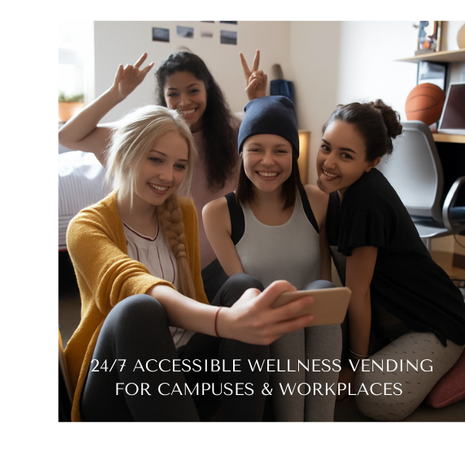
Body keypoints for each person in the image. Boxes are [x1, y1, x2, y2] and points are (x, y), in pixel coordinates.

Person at [63, 105, 313, 422]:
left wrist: (243, 308)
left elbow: (193, 294)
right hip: (116, 384)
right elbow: (134, 284)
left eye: (179, 166)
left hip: (183, 372)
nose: (168, 176)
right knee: (138, 308)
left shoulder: (183, 212)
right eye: (156, 159)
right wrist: (226, 321)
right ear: (126, 153)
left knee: (243, 285)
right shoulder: (86, 227)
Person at [58, 49, 268, 296]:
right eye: (173, 94)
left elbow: (269, 148)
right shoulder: (149, 136)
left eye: (193, 90)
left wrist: (258, 101)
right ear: (163, 97)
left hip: (220, 265)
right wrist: (117, 93)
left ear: (207, 89)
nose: (184, 102)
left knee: (247, 289)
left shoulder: (234, 132)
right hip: (164, 269)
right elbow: (67, 136)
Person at [316, 100, 465, 421]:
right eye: (325, 148)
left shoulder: (364, 202)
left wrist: (356, 366)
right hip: (391, 319)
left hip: (433, 323)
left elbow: (357, 294)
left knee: (375, 398)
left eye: (345, 155)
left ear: (372, 162)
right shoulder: (340, 193)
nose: (328, 162)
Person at [203, 96, 341, 421]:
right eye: (256, 149)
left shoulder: (318, 201)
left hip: (316, 332)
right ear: (241, 153)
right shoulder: (219, 213)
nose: (268, 161)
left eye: (281, 150)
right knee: (282, 300)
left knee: (319, 288)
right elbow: (242, 292)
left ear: (295, 154)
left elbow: (325, 279)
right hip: (261, 338)